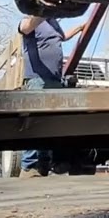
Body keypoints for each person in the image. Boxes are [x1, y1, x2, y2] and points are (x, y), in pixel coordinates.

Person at [17, 14, 88, 178]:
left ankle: (44, 165)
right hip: (37, 81)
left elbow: (63, 37)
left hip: (55, 81)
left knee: (53, 122)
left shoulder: (53, 23)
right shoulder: (30, 21)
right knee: (35, 121)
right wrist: (41, 11)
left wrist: (80, 28)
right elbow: (25, 28)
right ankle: (29, 167)